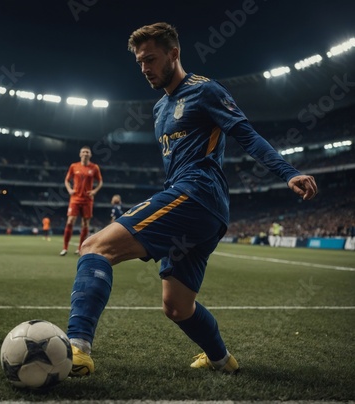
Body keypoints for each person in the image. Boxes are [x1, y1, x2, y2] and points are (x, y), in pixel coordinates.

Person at [65, 22, 318, 377]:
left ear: (174, 53)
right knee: (177, 306)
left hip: (197, 195)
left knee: (94, 247)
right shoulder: (158, 111)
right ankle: (221, 360)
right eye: (139, 62)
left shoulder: (205, 91)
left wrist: (288, 172)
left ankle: (75, 349)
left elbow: (245, 134)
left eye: (151, 59)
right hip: (200, 209)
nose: (145, 68)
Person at [60, 146, 103, 256]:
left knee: (85, 223)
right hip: (75, 198)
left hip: (87, 200)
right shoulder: (74, 166)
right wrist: (69, 189)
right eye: (83, 152)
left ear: (90, 154)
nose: (85, 153)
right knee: (70, 221)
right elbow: (66, 180)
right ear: (80, 154)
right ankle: (65, 248)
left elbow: (100, 182)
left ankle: (80, 248)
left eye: (87, 152)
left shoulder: (94, 167)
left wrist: (94, 191)